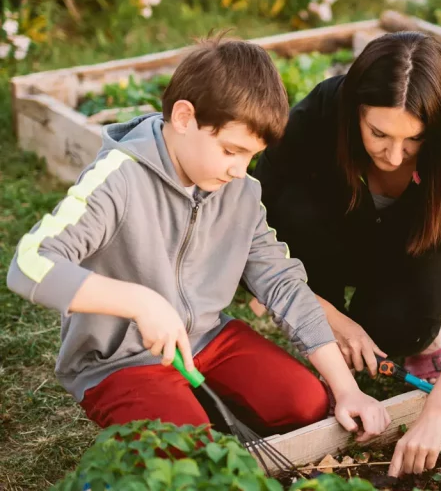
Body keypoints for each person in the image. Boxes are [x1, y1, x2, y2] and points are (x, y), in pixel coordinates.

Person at [5, 34, 390, 442]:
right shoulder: (118, 179)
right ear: (185, 118)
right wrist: (140, 302)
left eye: (251, 156)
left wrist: (347, 389)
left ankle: (193, 402)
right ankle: (180, 413)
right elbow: (29, 263)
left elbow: (282, 283)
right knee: (194, 454)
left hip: (208, 338)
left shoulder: (239, 191)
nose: (240, 170)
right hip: (120, 361)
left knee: (307, 404)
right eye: (230, 151)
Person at [250, 31, 441, 476]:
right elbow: (247, 216)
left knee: (395, 327)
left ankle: (422, 336)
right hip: (338, 240)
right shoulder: (323, 111)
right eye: (378, 134)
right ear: (355, 109)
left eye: (415, 140)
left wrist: (437, 410)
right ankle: (326, 329)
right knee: (295, 206)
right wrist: (327, 316)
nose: (394, 154)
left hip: (416, 256)